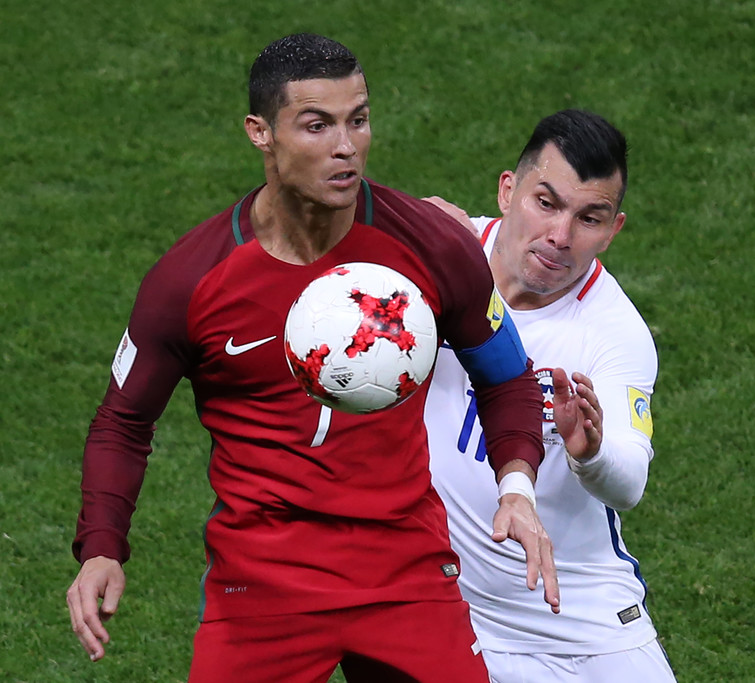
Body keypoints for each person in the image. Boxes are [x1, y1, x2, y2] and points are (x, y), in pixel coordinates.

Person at [66, 33, 559, 683]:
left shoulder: (433, 247)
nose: (346, 145)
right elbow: (123, 420)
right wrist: (103, 546)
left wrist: (517, 487)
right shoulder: (191, 280)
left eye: (358, 119)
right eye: (316, 125)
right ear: (259, 132)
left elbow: (506, 376)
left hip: (404, 576)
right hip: (261, 589)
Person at [423, 109, 674, 682]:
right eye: (547, 203)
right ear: (508, 190)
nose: (561, 237)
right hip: (453, 615)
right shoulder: (442, 257)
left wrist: (591, 452)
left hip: (579, 622)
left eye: (590, 218)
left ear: (614, 229)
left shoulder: (612, 333)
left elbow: (629, 482)